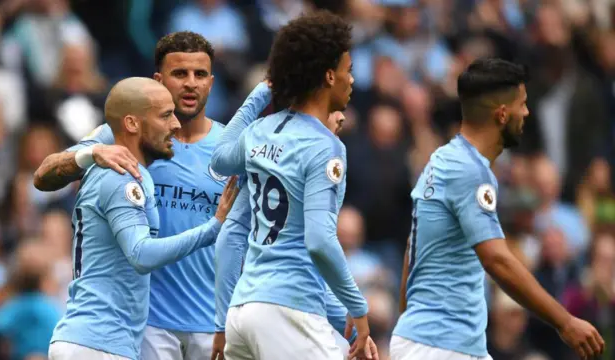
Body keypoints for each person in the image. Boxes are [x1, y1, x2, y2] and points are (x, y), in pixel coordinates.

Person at [33, 31, 354, 360]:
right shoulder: (123, 138)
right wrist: (90, 153)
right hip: (146, 327)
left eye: (200, 74)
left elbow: (273, 230)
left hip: (210, 324)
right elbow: (43, 176)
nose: (191, 84)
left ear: (212, 82)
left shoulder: (233, 147)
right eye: (179, 73)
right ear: (158, 80)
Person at [390, 58, 605, 360]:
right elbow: (497, 260)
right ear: (503, 114)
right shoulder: (469, 172)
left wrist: (407, 328)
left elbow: (412, 251)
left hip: (435, 342)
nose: (527, 113)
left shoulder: (442, 161)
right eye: (523, 104)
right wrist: (565, 321)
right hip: (442, 345)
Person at [210, 10, 376, 360]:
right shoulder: (325, 147)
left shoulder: (260, 131)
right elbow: (318, 242)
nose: (352, 80)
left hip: (243, 311)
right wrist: (358, 309)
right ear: (330, 76)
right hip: (288, 312)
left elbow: (220, 158)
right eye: (349, 70)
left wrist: (259, 93)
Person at [48, 77, 239, 360]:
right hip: (99, 343)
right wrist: (214, 227)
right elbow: (141, 254)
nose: (176, 124)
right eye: (165, 116)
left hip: (93, 340)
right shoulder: (122, 176)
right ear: (132, 124)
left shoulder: (121, 171)